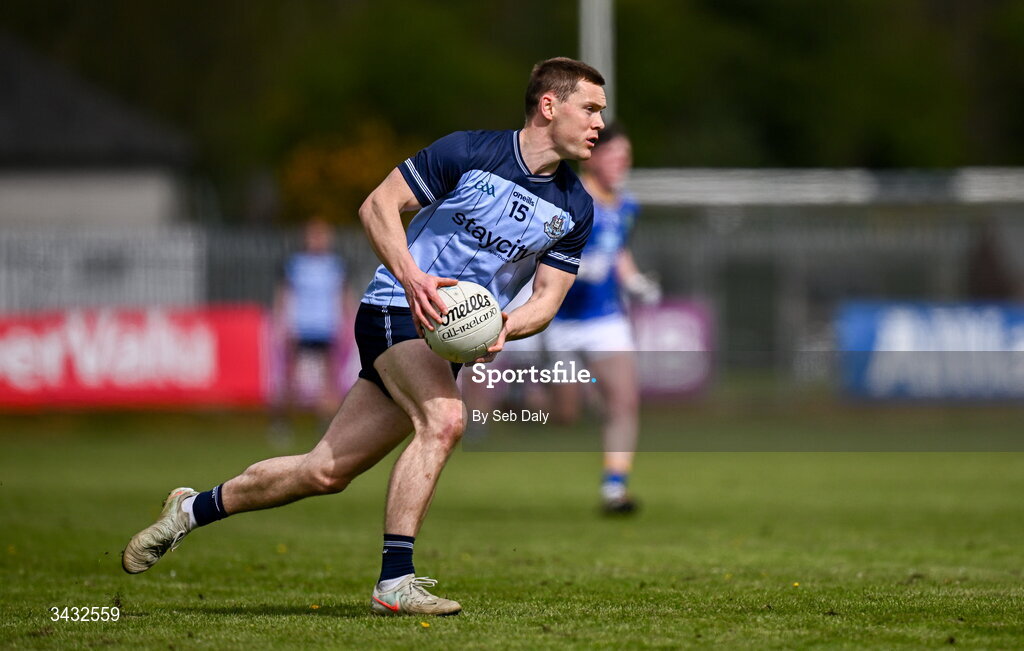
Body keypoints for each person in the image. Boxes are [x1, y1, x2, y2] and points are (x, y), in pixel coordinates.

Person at [121, 57, 605, 617]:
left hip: (447, 339)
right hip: (395, 307)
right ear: (550, 106)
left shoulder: (576, 207)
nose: (598, 122)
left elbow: (545, 301)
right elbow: (378, 205)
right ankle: (395, 581)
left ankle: (190, 509)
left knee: (324, 471)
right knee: (445, 421)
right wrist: (413, 277)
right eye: (590, 108)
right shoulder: (470, 151)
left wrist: (503, 325)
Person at [541, 123, 659, 514]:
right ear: (595, 156)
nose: (622, 164)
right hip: (558, 320)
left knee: (625, 401)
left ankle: (615, 487)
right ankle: (528, 393)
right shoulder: (567, 197)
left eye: (627, 158)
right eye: (615, 156)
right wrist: (572, 268)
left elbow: (618, 251)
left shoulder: (626, 206)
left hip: (606, 318)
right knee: (565, 414)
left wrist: (635, 281)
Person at [272, 218, 350, 433]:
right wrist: (282, 323)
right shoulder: (295, 264)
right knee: (290, 376)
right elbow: (283, 295)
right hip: (300, 325)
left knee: (330, 378)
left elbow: (344, 296)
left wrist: (347, 323)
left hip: (326, 325)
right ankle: (282, 421)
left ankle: (327, 423)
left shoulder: (336, 265)